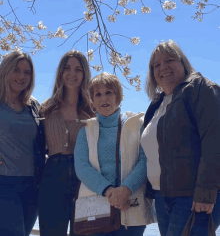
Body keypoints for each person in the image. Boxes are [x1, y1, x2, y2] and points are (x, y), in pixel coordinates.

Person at [141, 40, 220, 236]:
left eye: (169, 60)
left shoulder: (201, 89)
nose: (163, 68)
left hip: (193, 197)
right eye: (156, 65)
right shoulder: (156, 105)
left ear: (183, 62)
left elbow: (214, 141)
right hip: (162, 197)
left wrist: (206, 193)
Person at [74, 72, 156, 236]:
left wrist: (126, 190)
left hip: (132, 207)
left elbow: (144, 160)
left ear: (118, 96)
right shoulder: (85, 131)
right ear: (92, 101)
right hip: (96, 213)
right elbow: (82, 167)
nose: (104, 98)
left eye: (109, 92)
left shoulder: (137, 125)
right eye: (98, 94)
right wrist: (110, 192)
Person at [38, 50, 95, 236]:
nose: (72, 74)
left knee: (84, 233)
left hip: (85, 180)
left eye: (78, 69)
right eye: (67, 68)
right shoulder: (47, 107)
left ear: (84, 73)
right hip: (52, 178)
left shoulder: (92, 110)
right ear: (60, 72)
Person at [0, 51, 45, 236]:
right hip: (4, 183)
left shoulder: (33, 105)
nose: (22, 76)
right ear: (5, 71)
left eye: (27, 72)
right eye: (16, 70)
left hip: (32, 184)